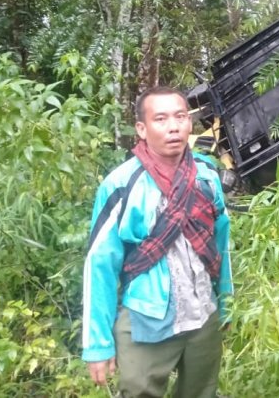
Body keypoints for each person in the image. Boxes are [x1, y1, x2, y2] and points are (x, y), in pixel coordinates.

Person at [82, 86, 232, 398]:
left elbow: (221, 242)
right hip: (146, 320)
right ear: (142, 128)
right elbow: (100, 264)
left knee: (203, 393)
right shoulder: (122, 184)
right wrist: (97, 344)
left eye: (180, 117)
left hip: (203, 314)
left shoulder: (207, 175)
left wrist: (226, 304)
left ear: (191, 123)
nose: (173, 127)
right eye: (160, 119)